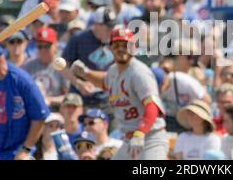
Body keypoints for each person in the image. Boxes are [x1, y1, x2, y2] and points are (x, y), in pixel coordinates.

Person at [70, 28, 168, 160]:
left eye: (125, 45)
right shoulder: (114, 71)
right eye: (116, 45)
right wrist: (85, 73)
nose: (121, 49)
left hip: (150, 138)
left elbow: (152, 106)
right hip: (129, 139)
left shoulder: (139, 72)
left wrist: (140, 133)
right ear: (110, 48)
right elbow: (105, 81)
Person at [61, 7, 117, 108]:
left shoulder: (116, 40)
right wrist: (79, 83)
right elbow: (62, 67)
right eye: (108, 27)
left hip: (108, 98)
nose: (111, 31)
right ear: (97, 25)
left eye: (112, 27)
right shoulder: (79, 39)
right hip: (81, 98)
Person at [22, 27, 70, 108]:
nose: (43, 50)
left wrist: (50, 100)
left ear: (56, 46)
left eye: (47, 46)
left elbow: (68, 97)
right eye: (40, 46)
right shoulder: (28, 65)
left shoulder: (61, 66)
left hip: (55, 110)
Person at [151, 67, 210, 133]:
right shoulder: (152, 89)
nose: (159, 89)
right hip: (169, 119)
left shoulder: (183, 81)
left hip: (189, 118)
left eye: (161, 85)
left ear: (166, 78)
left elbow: (206, 99)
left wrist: (203, 120)